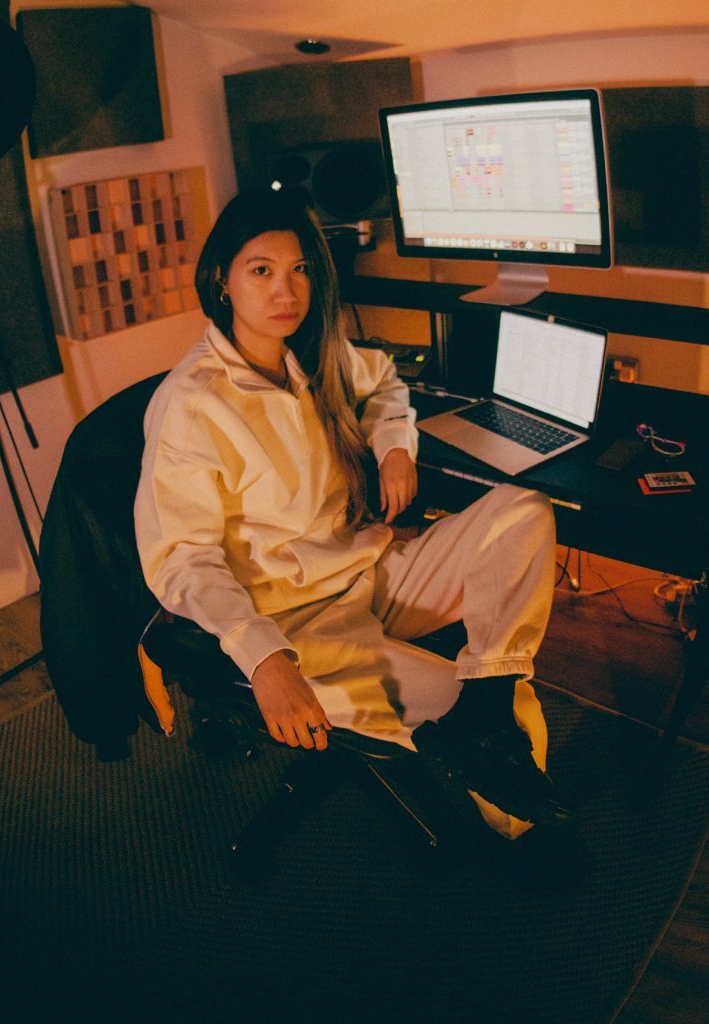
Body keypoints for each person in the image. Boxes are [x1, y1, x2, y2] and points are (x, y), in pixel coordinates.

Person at [134, 188, 573, 840]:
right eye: (262, 271)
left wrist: (396, 449)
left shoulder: (302, 357)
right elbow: (181, 559)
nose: (287, 290)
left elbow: (388, 382)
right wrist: (263, 660)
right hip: (295, 622)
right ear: (221, 282)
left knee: (524, 511)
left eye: (300, 270)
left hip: (367, 565)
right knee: (514, 705)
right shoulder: (191, 405)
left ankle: (482, 719)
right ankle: (528, 834)